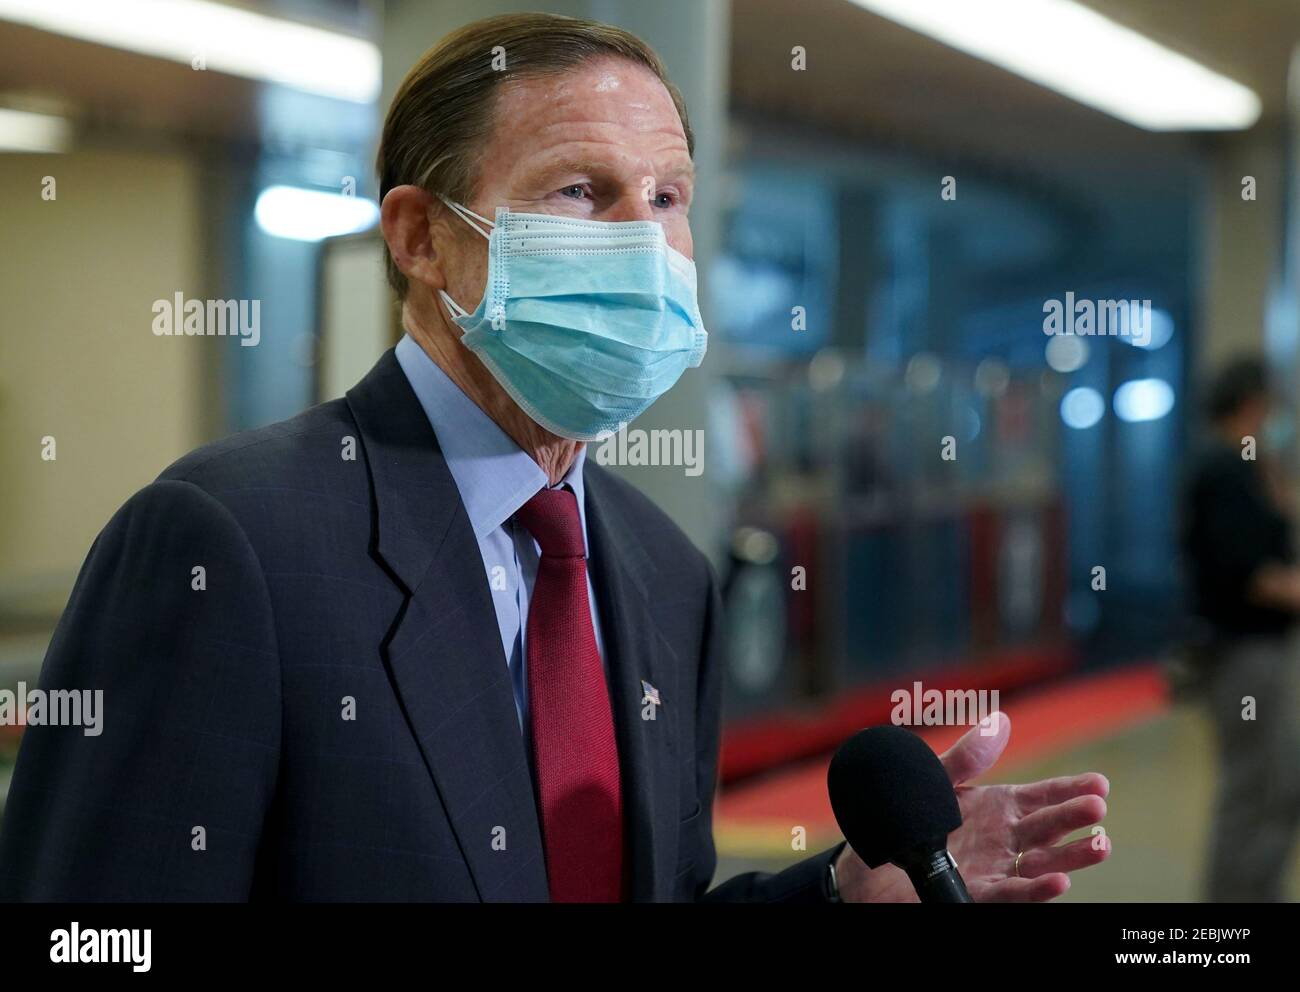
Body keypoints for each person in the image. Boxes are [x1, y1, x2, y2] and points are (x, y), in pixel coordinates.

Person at [0, 12, 1109, 902]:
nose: (641, 239)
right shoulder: (228, 539)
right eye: (581, 191)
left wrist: (837, 894)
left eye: (667, 196)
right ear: (421, 237)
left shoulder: (665, 573)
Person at [1182, 356, 1300, 901]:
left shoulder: (1245, 466)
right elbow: (1248, 573)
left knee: (1273, 785)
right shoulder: (1223, 471)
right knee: (1253, 787)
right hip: (1245, 654)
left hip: (1260, 649)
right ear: (1253, 404)